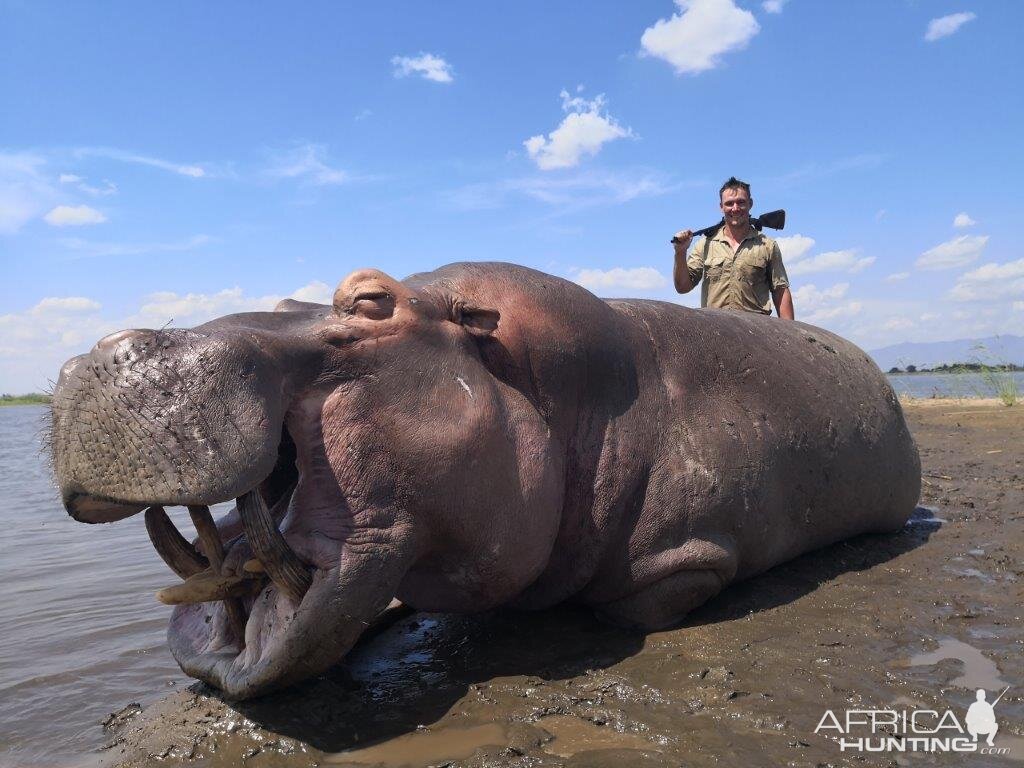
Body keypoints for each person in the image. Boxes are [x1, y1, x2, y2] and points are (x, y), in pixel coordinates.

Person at [672, 177, 795, 319]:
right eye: (729, 203)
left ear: (751, 204)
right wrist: (680, 252)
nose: (735, 208)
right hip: (716, 331)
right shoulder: (705, 244)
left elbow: (780, 291)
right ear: (721, 207)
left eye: (741, 202)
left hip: (757, 333)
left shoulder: (767, 245)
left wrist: (791, 335)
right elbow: (682, 287)